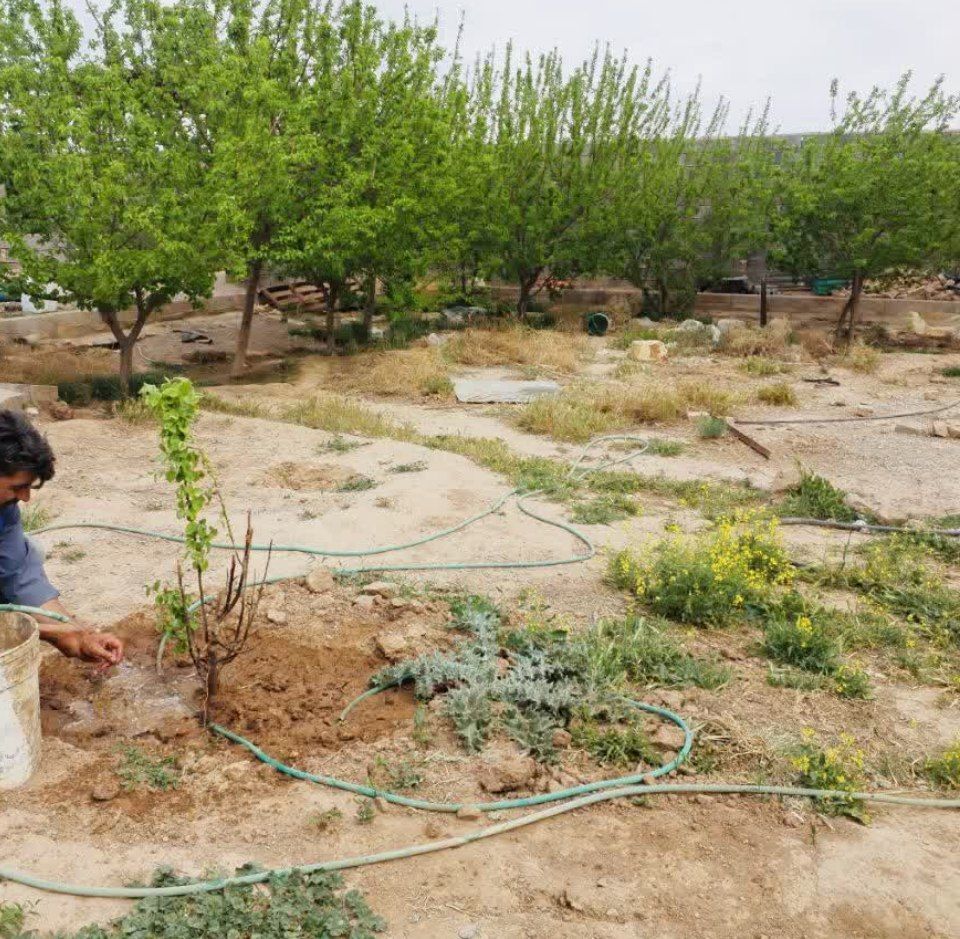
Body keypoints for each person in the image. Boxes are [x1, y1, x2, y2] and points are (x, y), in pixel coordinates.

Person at [0, 409, 123, 665]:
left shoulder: (4, 510)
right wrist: (56, 631)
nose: (25, 497)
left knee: (29, 550)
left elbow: (19, 577)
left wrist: (76, 635)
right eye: (17, 487)